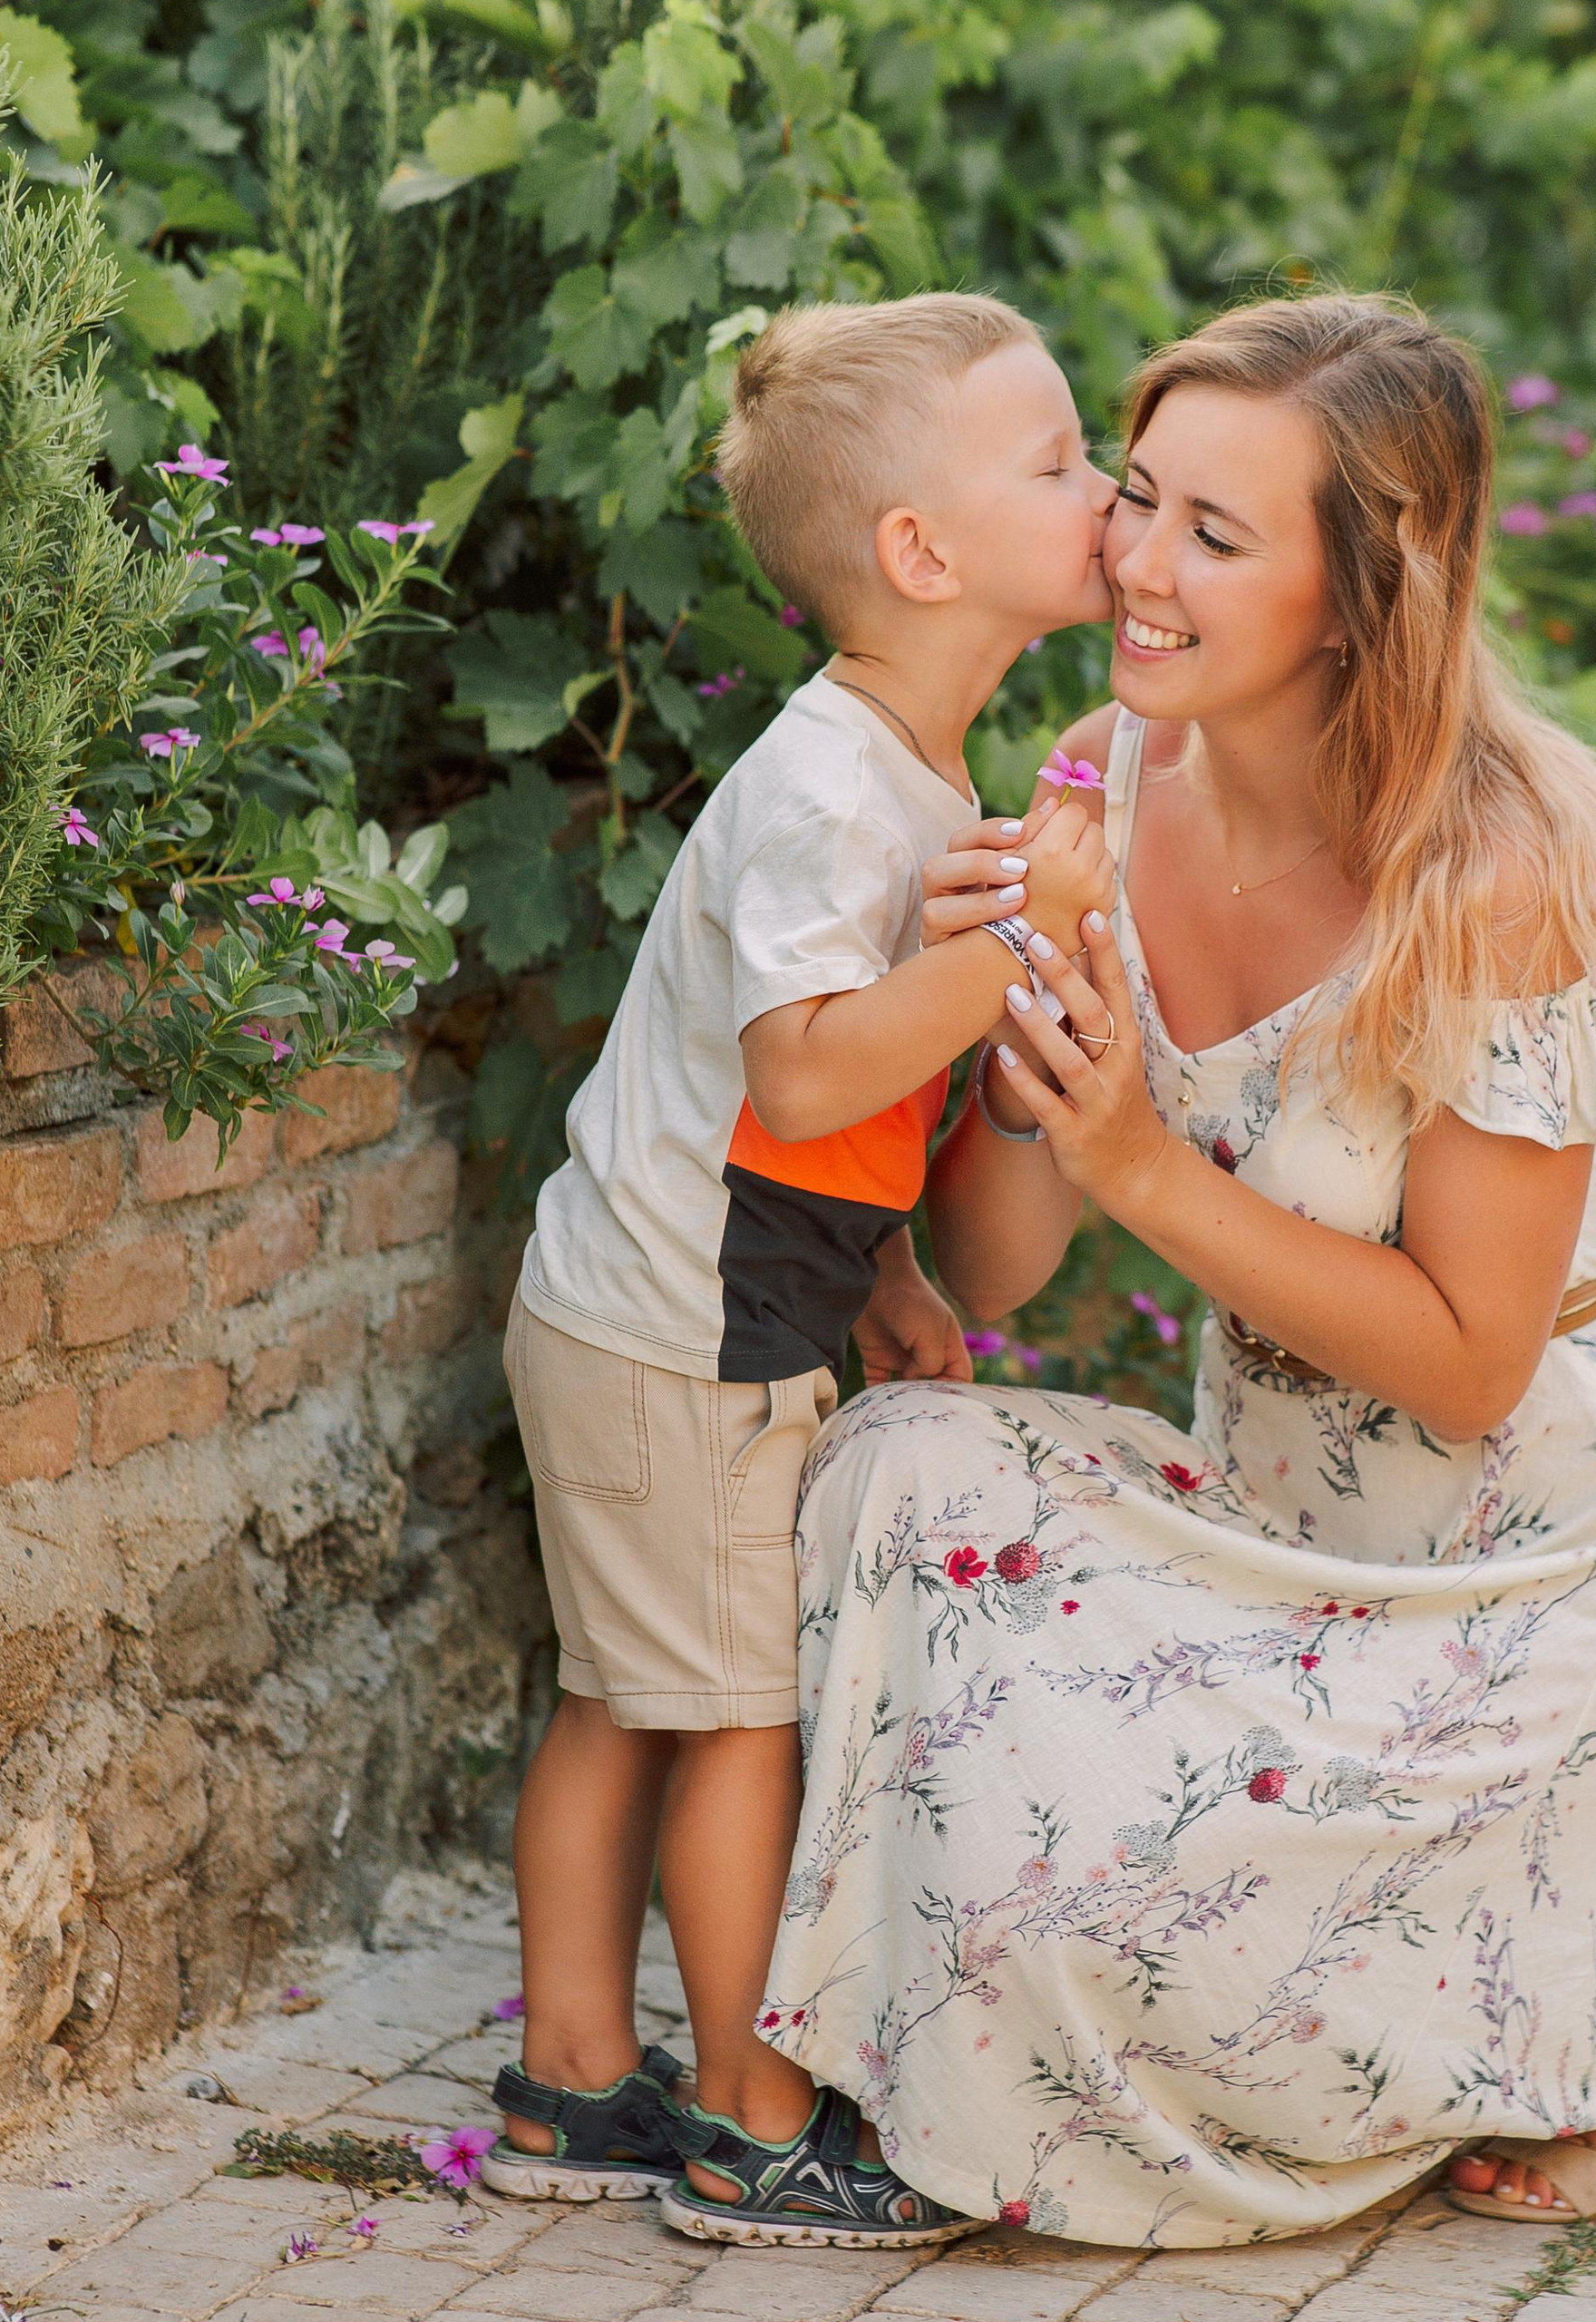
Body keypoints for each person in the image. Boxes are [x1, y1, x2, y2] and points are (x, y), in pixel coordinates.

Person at [758, 291, 1596, 2247]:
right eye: (1135, 497)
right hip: (1265, 1531)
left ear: (1361, 593)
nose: (1135, 562)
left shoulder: (1493, 868)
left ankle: (1565, 2010)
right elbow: (994, 1271)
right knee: (895, 1466)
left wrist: (1140, 1156)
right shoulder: (1101, 778)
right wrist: (1022, 1035)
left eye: (1214, 534)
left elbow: (1472, 1363)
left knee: (1159, 1915)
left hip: (1525, 1590)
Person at [484, 290, 1114, 2249]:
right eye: (1059, 462)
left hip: (668, 1303)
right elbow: (807, 1064)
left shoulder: (903, 770)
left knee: (627, 1698)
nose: (1104, 490)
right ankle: (750, 2120)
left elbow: (827, 1110)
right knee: (732, 1715)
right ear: (921, 552)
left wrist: (885, 1271)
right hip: (679, 1335)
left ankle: (571, 2080)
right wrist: (1023, 945)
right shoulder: (832, 788)